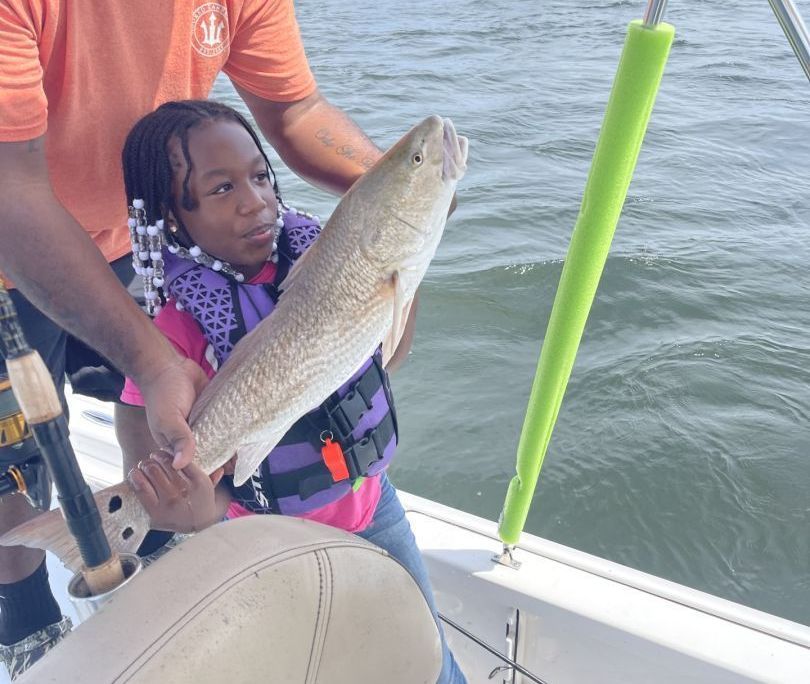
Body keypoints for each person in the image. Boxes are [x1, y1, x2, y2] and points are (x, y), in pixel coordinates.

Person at [0, 1, 386, 677]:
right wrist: (151, 362)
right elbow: (12, 191)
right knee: (13, 469)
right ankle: (26, 622)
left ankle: (151, 546)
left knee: (149, 413)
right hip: (13, 237)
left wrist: (401, 200)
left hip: (128, 241)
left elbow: (296, 114)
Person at [115, 99, 466, 684]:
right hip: (262, 537)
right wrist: (203, 511)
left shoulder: (325, 252)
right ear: (174, 217)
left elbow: (385, 360)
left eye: (260, 176)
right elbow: (141, 436)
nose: (255, 200)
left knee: (425, 656)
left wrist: (405, 273)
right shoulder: (174, 329)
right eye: (223, 188)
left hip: (370, 504)